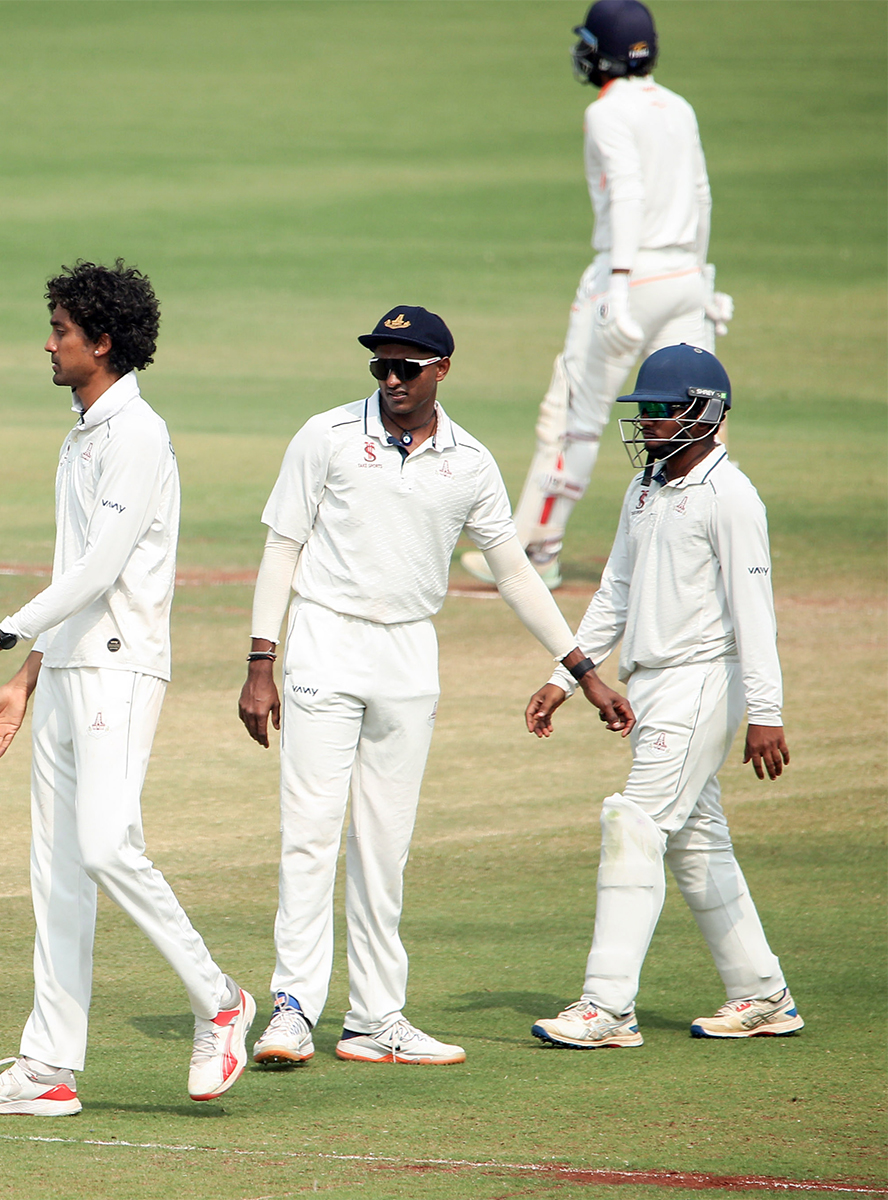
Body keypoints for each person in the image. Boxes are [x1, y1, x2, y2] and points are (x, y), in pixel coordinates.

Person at [239, 306, 634, 1070]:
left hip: (410, 655)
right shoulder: (324, 437)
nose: (390, 380)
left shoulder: (471, 463)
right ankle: (292, 1009)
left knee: (386, 845)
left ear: (441, 371)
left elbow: (514, 571)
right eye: (380, 367)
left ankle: (376, 1019)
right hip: (326, 640)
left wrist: (582, 670)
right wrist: (261, 662)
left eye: (405, 367)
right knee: (310, 835)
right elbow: (282, 544)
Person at [0, 261, 254, 1115]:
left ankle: (221, 1000)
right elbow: (78, 574)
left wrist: (1, 636)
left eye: (61, 330)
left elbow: (102, 570)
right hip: (67, 671)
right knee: (59, 871)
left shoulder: (136, 435)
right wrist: (29, 677)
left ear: (102, 341)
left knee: (104, 847)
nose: (49, 342)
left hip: (120, 668)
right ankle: (48, 1067)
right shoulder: (85, 432)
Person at [527, 344, 801, 1048]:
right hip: (652, 686)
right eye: (643, 409)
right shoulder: (646, 487)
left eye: (662, 408)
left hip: (703, 680)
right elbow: (616, 591)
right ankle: (763, 994)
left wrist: (765, 713)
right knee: (696, 846)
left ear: (707, 412)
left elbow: (755, 613)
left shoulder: (732, 498)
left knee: (634, 823)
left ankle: (607, 1007)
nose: (648, 421)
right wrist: (567, 676)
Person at [460, 0, 734, 590]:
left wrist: (617, 283)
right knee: (699, 414)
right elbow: (703, 195)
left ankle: (540, 551)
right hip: (685, 277)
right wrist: (704, 279)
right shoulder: (679, 108)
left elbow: (628, 194)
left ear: (602, 53)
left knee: (576, 421)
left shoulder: (606, 112)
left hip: (629, 279)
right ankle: (706, 551)